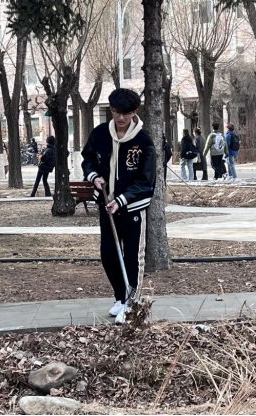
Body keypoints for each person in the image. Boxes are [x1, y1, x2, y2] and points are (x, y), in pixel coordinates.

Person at [82, 88, 156, 325]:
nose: (120, 117)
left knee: (133, 256)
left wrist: (122, 200)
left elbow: (146, 181)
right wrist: (94, 176)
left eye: (126, 113)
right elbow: (88, 159)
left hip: (131, 208)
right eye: (116, 112)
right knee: (109, 254)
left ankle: (131, 303)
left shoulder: (143, 141)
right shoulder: (100, 134)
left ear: (134, 112)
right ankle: (120, 297)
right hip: (107, 205)